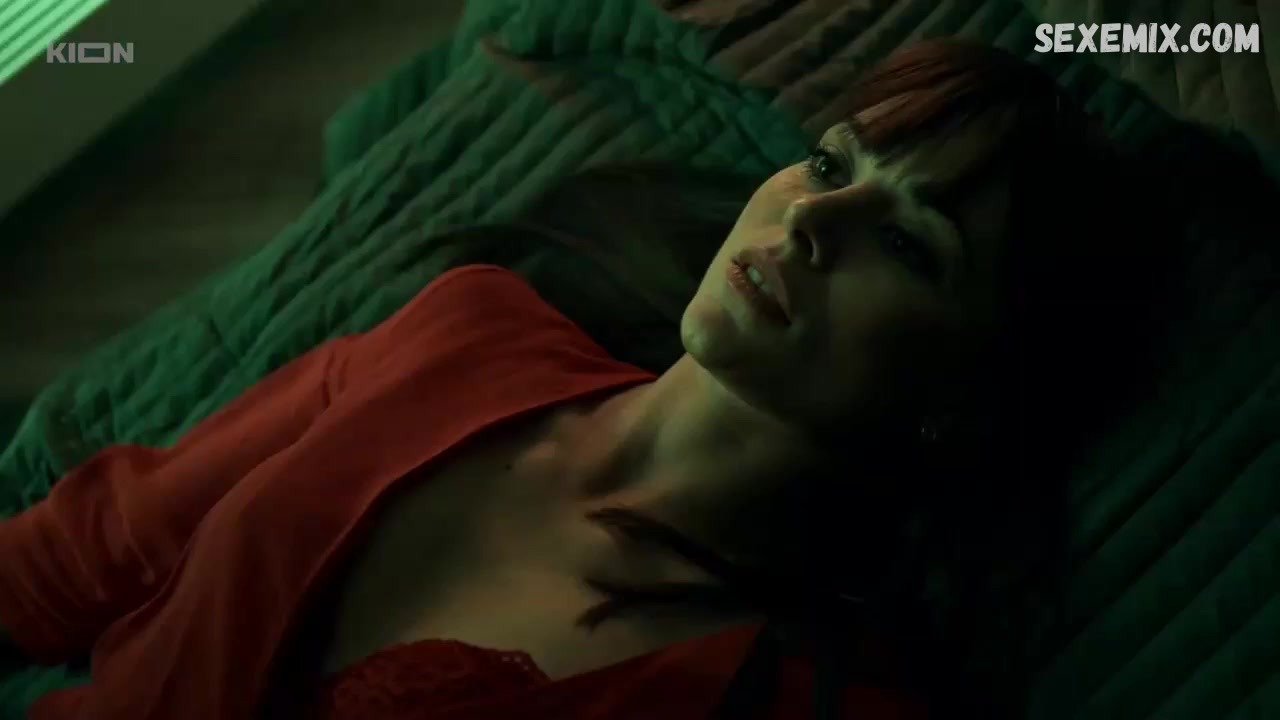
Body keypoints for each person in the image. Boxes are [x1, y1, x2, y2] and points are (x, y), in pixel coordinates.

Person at [0, 39, 1153, 720]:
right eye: (827, 163)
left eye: (905, 243)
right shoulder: (468, 332)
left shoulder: (795, 697)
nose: (813, 219)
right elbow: (85, 551)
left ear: (964, 399)